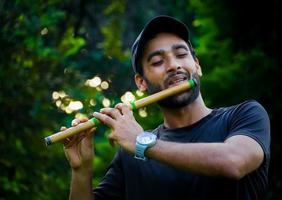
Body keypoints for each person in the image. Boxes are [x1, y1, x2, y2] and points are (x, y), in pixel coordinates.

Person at [63, 15, 271, 200]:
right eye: (157, 61)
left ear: (197, 65)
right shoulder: (129, 155)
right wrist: (81, 171)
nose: (173, 65)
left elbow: (234, 162)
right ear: (141, 83)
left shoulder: (244, 115)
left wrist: (142, 143)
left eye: (181, 55)